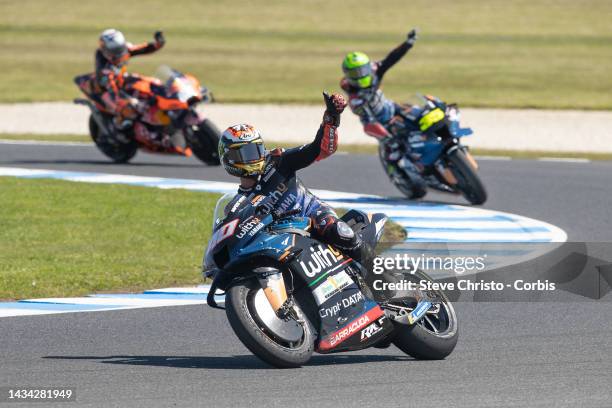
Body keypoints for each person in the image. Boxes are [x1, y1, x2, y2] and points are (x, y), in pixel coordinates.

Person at [218, 92, 363, 257]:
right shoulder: (238, 206)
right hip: (282, 238)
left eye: (256, 150)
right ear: (229, 159)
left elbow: (320, 149)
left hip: (312, 215)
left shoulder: (278, 161)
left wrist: (331, 118)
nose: (254, 158)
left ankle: (378, 271)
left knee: (336, 230)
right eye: (245, 153)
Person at [340, 29, 428, 188]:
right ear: (348, 75)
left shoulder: (374, 71)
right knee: (392, 148)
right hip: (380, 124)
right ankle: (396, 170)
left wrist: (408, 44)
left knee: (421, 114)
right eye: (355, 72)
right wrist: (387, 135)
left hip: (392, 108)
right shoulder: (354, 98)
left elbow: (391, 59)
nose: (361, 74)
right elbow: (368, 121)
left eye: (363, 70)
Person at [95, 28, 165, 129]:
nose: (118, 53)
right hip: (106, 87)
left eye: (119, 48)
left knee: (151, 83)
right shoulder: (104, 65)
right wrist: (129, 100)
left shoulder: (124, 50)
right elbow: (111, 87)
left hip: (121, 79)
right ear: (105, 50)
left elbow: (143, 48)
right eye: (114, 50)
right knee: (124, 104)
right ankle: (119, 123)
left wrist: (158, 44)